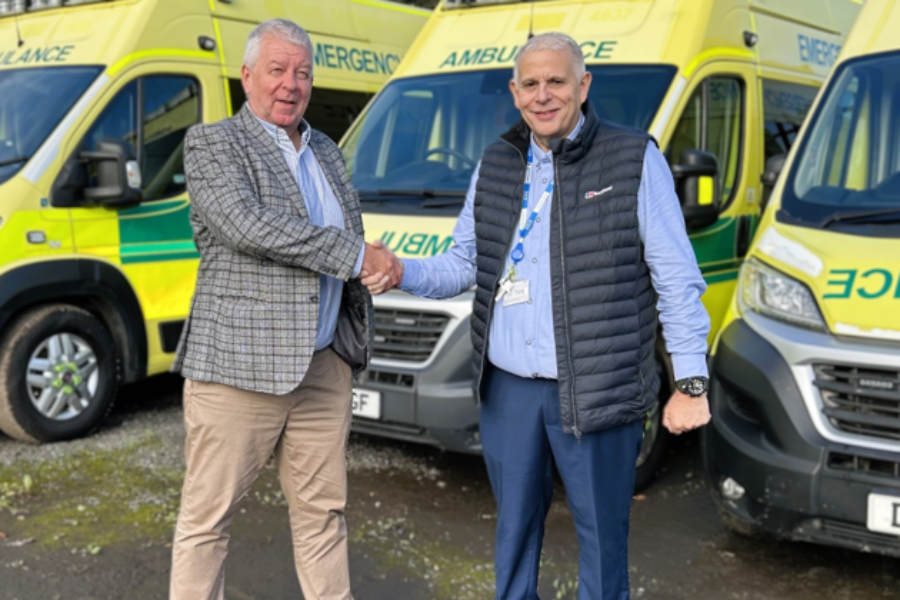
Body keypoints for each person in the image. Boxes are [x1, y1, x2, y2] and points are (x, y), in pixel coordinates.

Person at [363, 32, 712, 600]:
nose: (543, 95)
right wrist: (403, 272)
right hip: (510, 393)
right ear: (514, 91)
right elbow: (465, 263)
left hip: (599, 388)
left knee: (602, 543)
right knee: (514, 536)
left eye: (556, 81)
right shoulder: (497, 162)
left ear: (583, 85)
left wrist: (690, 381)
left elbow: (677, 279)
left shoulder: (632, 157)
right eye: (531, 83)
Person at [169, 18, 395, 600]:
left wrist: (370, 275)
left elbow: (352, 233)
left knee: (324, 517)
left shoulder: (326, 151)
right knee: (207, 521)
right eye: (277, 70)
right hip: (237, 372)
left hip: (323, 369)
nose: (290, 84)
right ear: (247, 76)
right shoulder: (213, 143)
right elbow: (249, 227)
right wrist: (355, 256)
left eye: (302, 72)